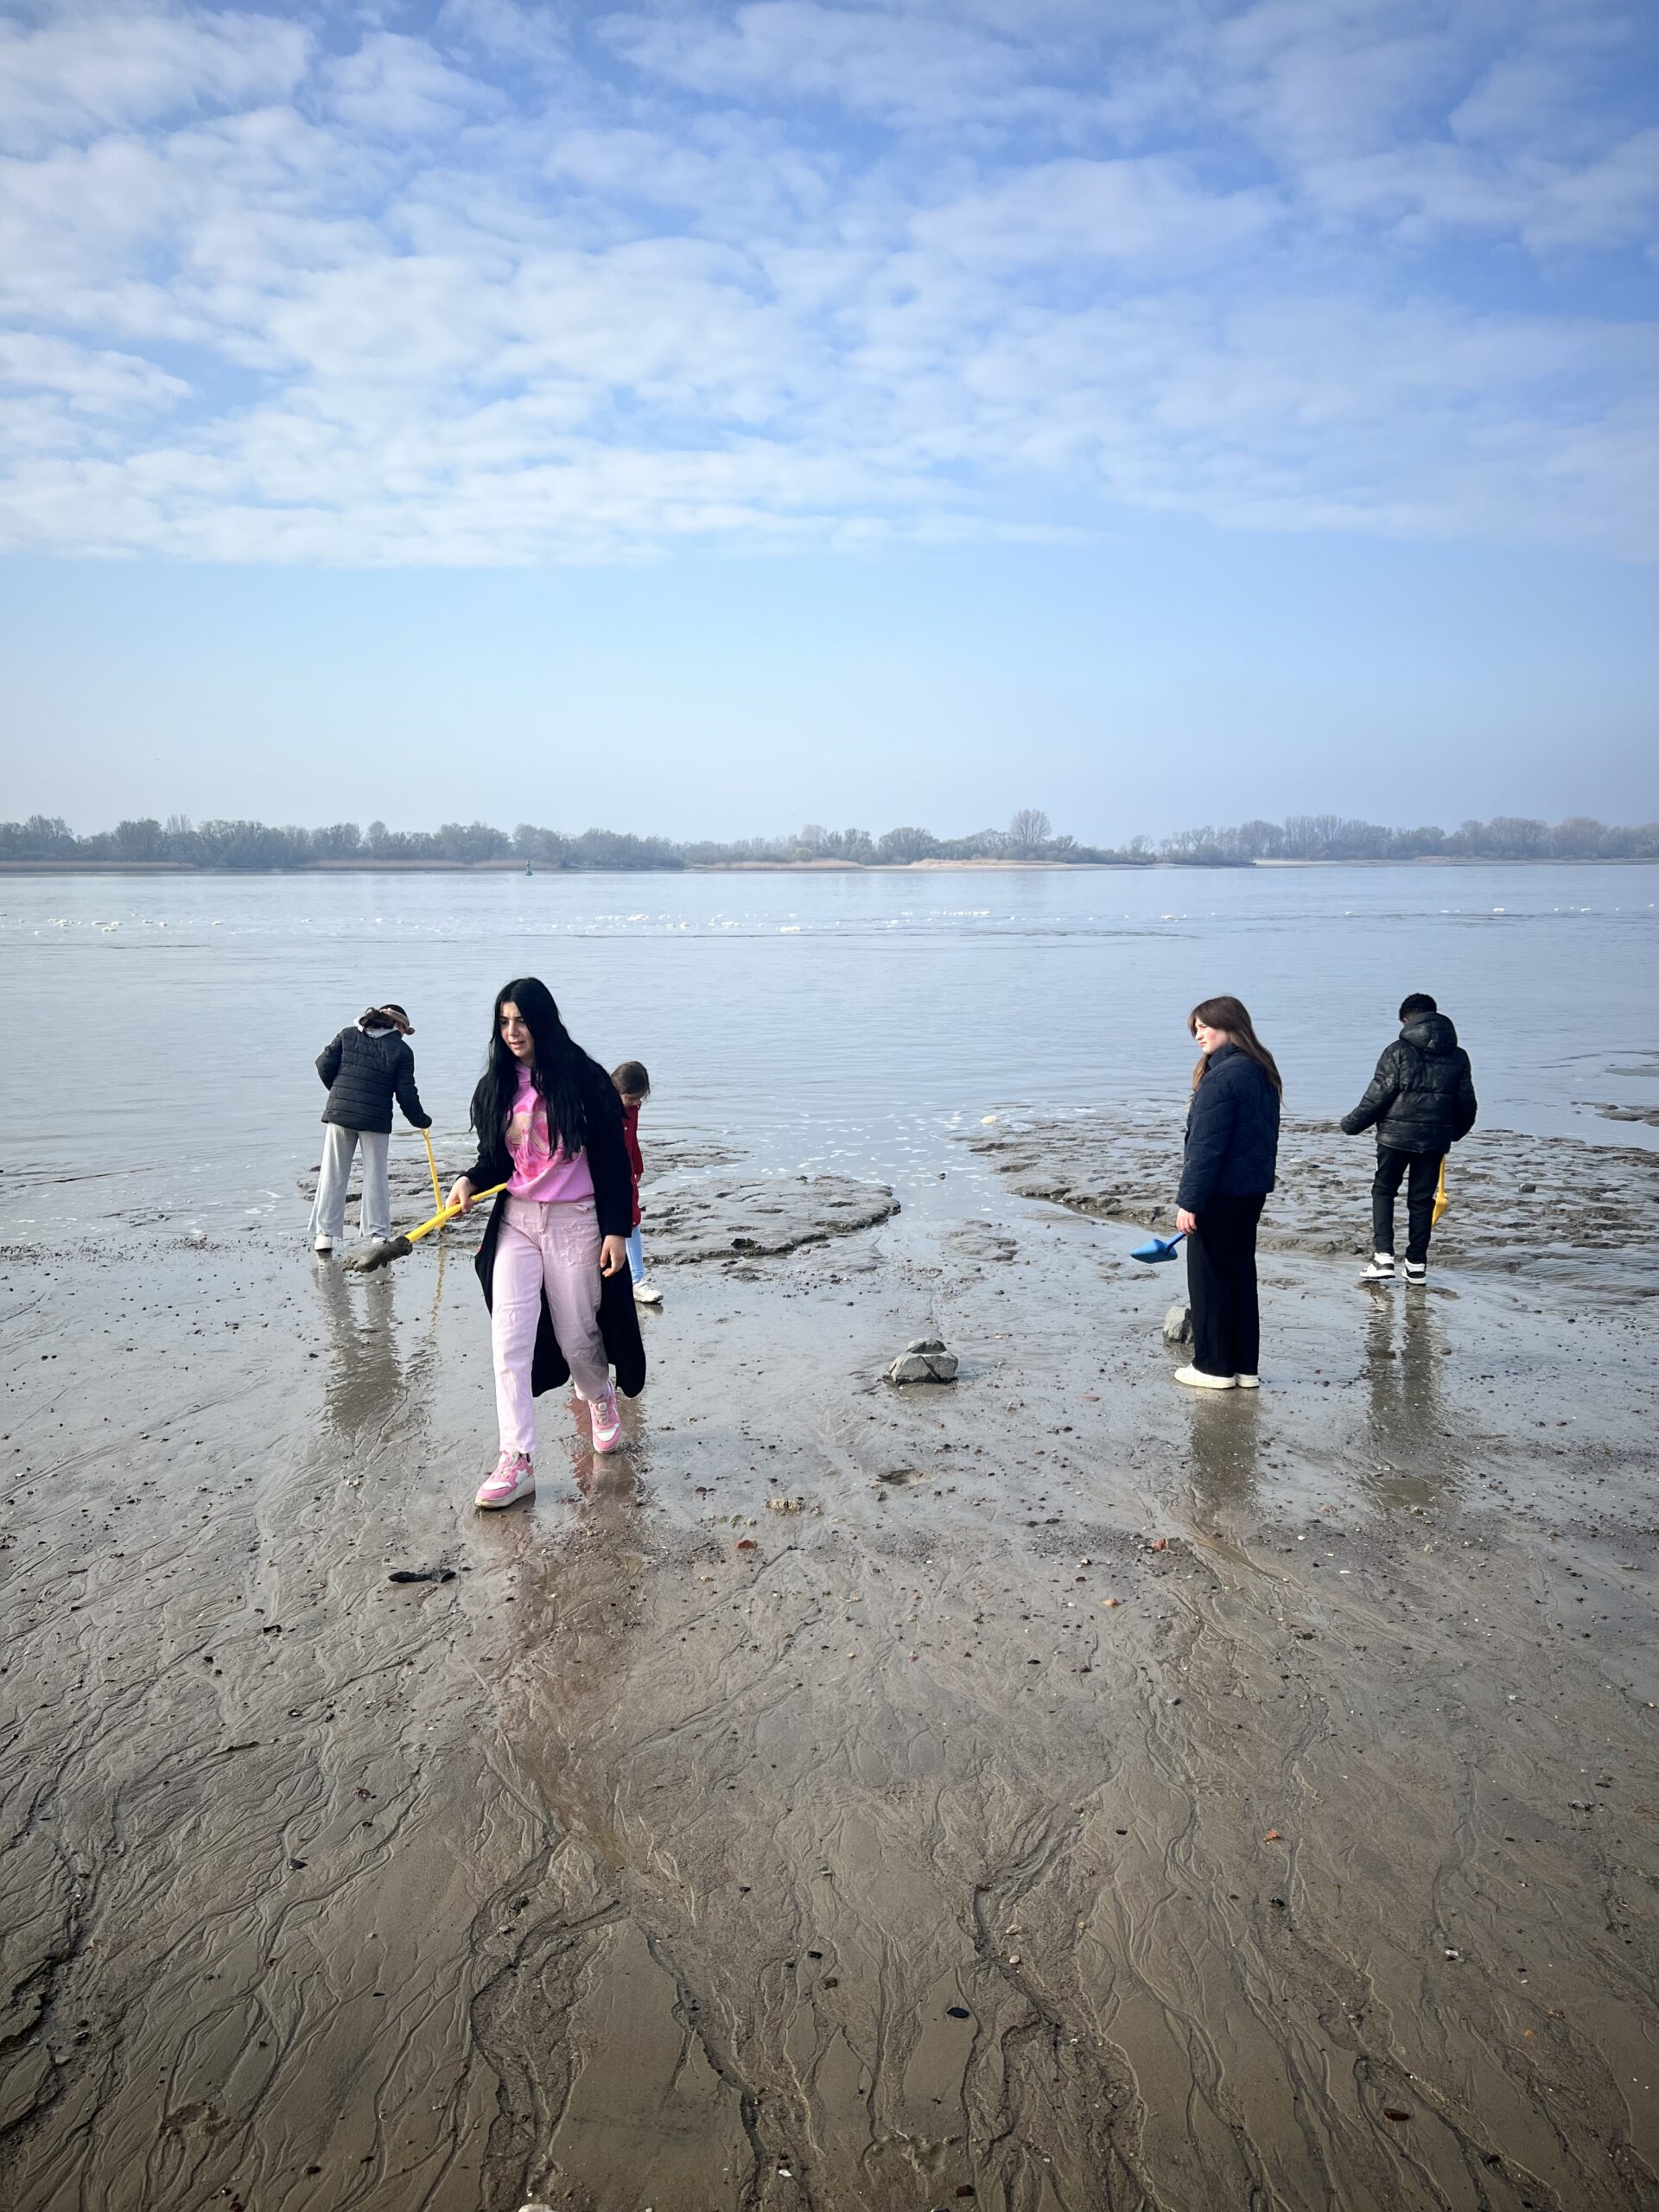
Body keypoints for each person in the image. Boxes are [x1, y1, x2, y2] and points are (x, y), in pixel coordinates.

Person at [448, 978, 645, 1510]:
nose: (512, 1032)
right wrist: (469, 1179)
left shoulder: (583, 1082)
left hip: (576, 1220)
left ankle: (599, 1396)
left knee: (578, 1336)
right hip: (517, 1221)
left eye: (521, 1020)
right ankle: (517, 1460)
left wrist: (617, 1230)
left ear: (543, 1020)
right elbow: (498, 1160)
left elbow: (611, 1161)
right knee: (508, 1340)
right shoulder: (497, 1084)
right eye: (504, 1021)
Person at [1172, 995, 1282, 1391]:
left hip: (1219, 1195)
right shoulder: (1261, 1069)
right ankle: (1243, 1369)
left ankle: (1213, 1368)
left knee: (1209, 1279)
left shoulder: (1222, 1076)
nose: (1199, 1035)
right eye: (1195, 1029)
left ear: (1229, 1025)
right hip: (1250, 1193)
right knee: (1239, 1276)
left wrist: (1190, 1202)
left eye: (1205, 1026)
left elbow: (1206, 1147)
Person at [1341, 992, 1477, 1284]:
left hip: (1394, 1138)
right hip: (1434, 1139)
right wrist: (1452, 1134)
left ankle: (1383, 1258)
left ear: (1406, 1019)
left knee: (1384, 1191)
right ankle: (1416, 1265)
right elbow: (1467, 1104)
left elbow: (1379, 1095)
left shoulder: (1398, 1050)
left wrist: (1350, 1125)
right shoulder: (1459, 1056)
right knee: (1421, 1199)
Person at [309, 1003, 431, 1256]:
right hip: (374, 1119)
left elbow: (322, 1065)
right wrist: (421, 1120)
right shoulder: (401, 1050)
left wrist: (340, 1093)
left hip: (339, 1114)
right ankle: (378, 1236)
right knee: (375, 1175)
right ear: (399, 1026)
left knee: (332, 1173)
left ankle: (324, 1236)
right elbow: (406, 1094)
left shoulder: (347, 1034)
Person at [612, 1058, 662, 1306]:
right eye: (632, 1098)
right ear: (617, 1092)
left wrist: (637, 1165)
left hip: (627, 1174)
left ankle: (638, 1281)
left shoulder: (632, 1110)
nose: (638, 1102)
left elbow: (632, 1138)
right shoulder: (600, 1110)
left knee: (632, 1222)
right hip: (606, 1178)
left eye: (640, 1098)